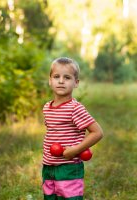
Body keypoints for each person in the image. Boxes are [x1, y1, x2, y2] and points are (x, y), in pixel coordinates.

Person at [42, 57, 103, 200]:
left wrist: (76, 150)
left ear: (76, 83)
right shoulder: (47, 107)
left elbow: (97, 132)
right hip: (48, 165)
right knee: (49, 197)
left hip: (69, 167)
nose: (61, 81)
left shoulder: (75, 108)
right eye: (56, 76)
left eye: (67, 77)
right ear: (50, 80)